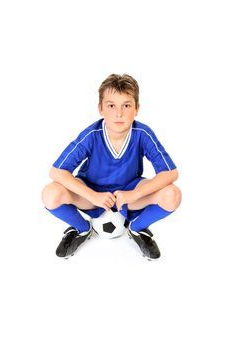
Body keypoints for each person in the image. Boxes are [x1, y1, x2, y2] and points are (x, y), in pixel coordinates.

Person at [41, 73, 182, 260]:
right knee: (50, 194)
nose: (119, 113)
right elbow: (57, 171)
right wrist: (93, 195)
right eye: (111, 105)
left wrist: (135, 194)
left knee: (172, 195)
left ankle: (137, 229)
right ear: (100, 109)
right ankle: (82, 229)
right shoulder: (92, 134)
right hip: (93, 194)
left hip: (128, 194)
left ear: (137, 109)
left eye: (126, 105)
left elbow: (170, 173)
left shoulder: (142, 133)